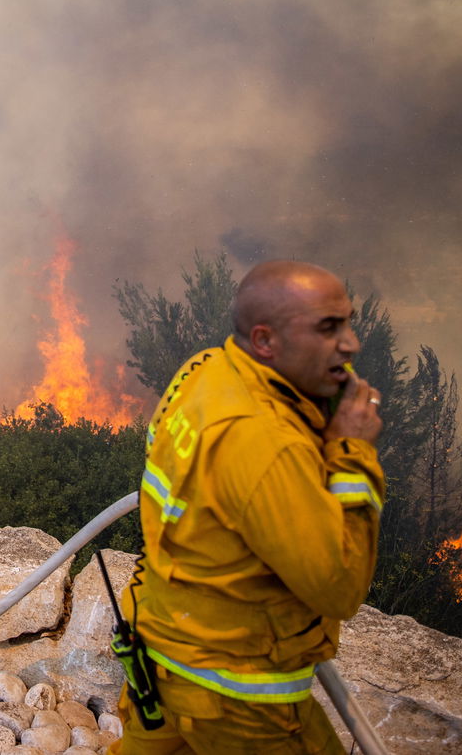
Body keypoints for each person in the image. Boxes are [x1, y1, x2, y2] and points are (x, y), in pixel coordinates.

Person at [114, 259, 385, 755]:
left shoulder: (205, 371)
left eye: (346, 323)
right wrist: (353, 451)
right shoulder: (264, 444)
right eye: (328, 328)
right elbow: (339, 589)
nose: (350, 344)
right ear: (265, 341)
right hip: (238, 698)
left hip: (161, 647)